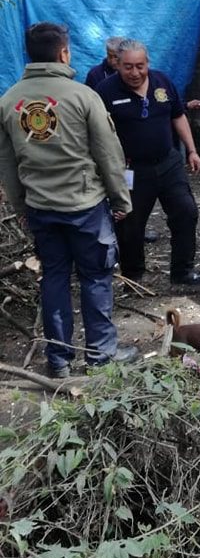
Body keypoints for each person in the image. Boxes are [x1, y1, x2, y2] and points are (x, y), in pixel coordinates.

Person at [0, 22, 139, 378]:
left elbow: (7, 165)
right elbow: (109, 155)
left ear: (30, 54)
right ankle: (100, 357)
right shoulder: (82, 96)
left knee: (54, 279)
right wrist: (121, 200)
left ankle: (59, 361)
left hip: (41, 209)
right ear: (64, 53)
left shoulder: (9, 101)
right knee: (95, 278)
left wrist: (21, 209)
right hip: (85, 207)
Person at [96, 39, 200, 286]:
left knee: (186, 212)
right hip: (130, 170)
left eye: (140, 66)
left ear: (148, 63)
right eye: (128, 67)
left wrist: (191, 150)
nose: (135, 73)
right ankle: (133, 276)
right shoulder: (105, 91)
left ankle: (183, 272)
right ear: (118, 65)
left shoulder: (162, 82)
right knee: (130, 224)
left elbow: (178, 115)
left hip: (168, 162)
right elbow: (97, 134)